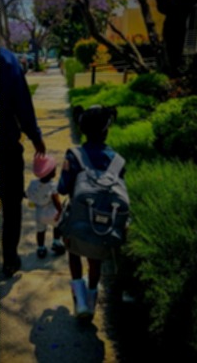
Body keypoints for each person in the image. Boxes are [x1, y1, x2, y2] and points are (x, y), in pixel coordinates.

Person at [57, 105, 124, 320]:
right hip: (103, 225)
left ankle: (81, 302)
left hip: (78, 222)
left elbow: (62, 188)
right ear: (107, 129)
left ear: (82, 128)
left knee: (74, 254)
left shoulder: (74, 155)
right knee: (94, 262)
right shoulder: (117, 160)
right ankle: (92, 295)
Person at [0, 47, 46, 278]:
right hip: (8, 148)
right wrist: (36, 137)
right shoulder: (8, 61)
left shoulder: (8, 61)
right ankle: (9, 259)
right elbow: (23, 105)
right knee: (11, 206)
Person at [26, 154, 65, 259]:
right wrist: (61, 210)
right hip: (52, 213)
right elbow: (56, 201)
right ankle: (56, 242)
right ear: (50, 173)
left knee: (40, 231)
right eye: (54, 170)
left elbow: (28, 194)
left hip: (39, 214)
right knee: (57, 226)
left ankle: (41, 248)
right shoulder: (53, 186)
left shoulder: (33, 184)